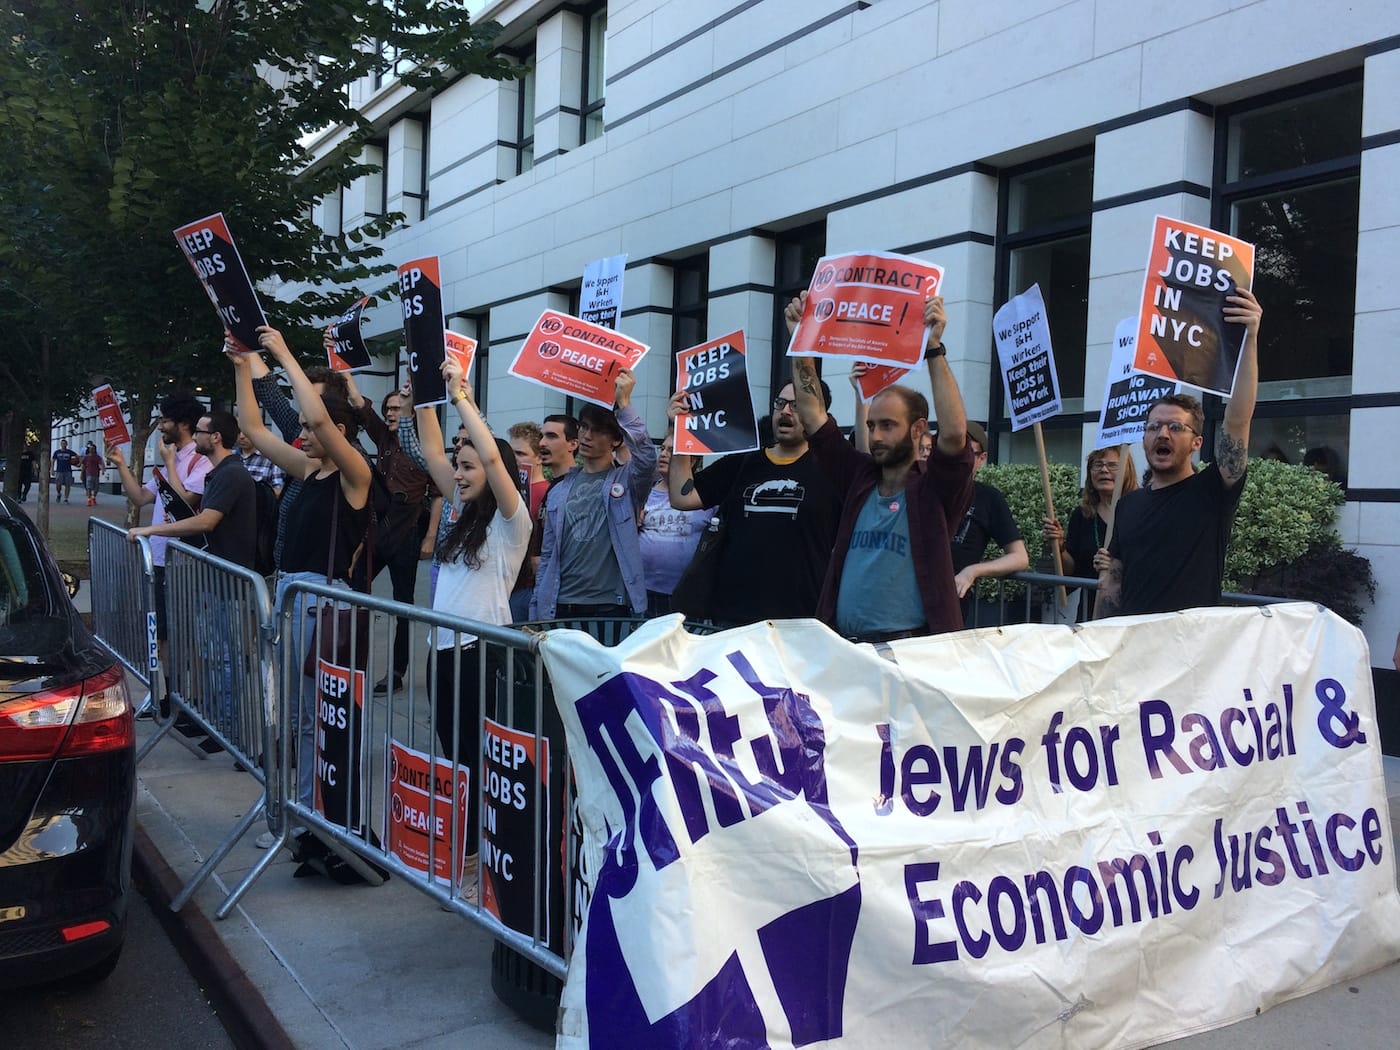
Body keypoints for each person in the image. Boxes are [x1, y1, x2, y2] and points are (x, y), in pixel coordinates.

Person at [231, 326, 372, 810]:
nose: (302, 434)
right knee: (287, 714)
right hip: (290, 596)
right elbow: (252, 429)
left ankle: (309, 809)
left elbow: (320, 419)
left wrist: (284, 354)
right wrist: (240, 369)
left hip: (319, 605)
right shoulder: (308, 470)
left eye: (311, 430)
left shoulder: (356, 475)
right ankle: (285, 804)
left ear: (339, 434)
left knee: (311, 716)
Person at [787, 290, 975, 640]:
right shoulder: (858, 476)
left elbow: (953, 435)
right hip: (845, 648)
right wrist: (802, 338)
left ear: (918, 429)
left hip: (909, 654)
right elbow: (813, 416)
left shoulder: (935, 490)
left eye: (888, 425)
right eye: (872, 426)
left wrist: (933, 348)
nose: (875, 436)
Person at [412, 358, 531, 899]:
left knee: (473, 759)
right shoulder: (460, 516)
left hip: (481, 654)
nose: (459, 474)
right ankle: (465, 853)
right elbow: (432, 451)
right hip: (442, 653)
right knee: (453, 755)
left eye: (470, 469)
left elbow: (488, 452)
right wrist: (423, 391)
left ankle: (477, 860)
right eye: (458, 469)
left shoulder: (512, 524)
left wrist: (461, 395)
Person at [1095, 288, 1263, 616]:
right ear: (1143, 439)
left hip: (1190, 652)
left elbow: (1239, 419)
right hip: (1133, 648)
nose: (1163, 433)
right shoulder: (1128, 505)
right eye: (1154, 427)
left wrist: (1250, 339)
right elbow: (1113, 585)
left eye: (1175, 427)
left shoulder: (1211, 492)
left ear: (1197, 443)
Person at [666, 379, 840, 627]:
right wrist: (680, 431)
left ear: (820, 415)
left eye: (798, 405)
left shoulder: (834, 469)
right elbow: (683, 497)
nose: (786, 411)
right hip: (734, 621)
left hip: (803, 624)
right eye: (780, 403)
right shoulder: (744, 462)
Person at [108, 391, 213, 694]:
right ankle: (170, 693)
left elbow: (185, 503)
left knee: (186, 633)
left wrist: (169, 462)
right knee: (163, 632)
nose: (160, 426)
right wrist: (120, 465)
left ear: (182, 424)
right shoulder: (171, 461)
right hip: (159, 558)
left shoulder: (198, 461)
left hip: (185, 560)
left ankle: (192, 698)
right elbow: (141, 497)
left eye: (165, 420)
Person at [530, 371, 657, 620]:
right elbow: (548, 556)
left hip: (610, 607)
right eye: (584, 428)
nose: (587, 436)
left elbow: (647, 459)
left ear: (616, 440)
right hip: (560, 604)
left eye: (597, 431)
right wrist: (537, 609)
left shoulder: (625, 481)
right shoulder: (559, 490)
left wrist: (625, 405)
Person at [341, 369, 432, 696]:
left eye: (397, 408)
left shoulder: (424, 447)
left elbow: (437, 494)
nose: (391, 413)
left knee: (403, 606)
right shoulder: (383, 437)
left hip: (407, 534)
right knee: (354, 593)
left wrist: (430, 537)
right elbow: (360, 406)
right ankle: (351, 661)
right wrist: (344, 371)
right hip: (377, 529)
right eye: (389, 409)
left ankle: (396, 672)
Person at [127, 410, 257, 569]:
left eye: (198, 432)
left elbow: (206, 522)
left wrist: (150, 530)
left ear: (216, 437)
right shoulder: (220, 472)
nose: (194, 437)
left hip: (228, 574)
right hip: (216, 570)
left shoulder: (230, 473)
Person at [948, 421, 1029, 625]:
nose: (958, 459)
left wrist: (973, 571)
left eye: (967, 452)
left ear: (981, 459)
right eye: (952, 451)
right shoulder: (921, 489)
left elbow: (1019, 557)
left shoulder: (988, 498)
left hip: (950, 609)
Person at [640, 432, 715, 618]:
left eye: (673, 450)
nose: (664, 454)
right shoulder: (642, 493)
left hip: (686, 594)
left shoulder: (705, 497)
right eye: (662, 448)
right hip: (644, 592)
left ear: (691, 461)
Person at [1042, 446, 1139, 578]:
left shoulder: (1140, 511)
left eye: (1112, 465)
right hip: (1091, 597)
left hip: (1129, 597)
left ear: (1127, 471)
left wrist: (1115, 567)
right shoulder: (1082, 514)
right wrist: (1059, 546)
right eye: (1098, 465)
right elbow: (1070, 570)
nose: (1104, 470)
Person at [237, 430, 285, 496]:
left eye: (246, 432)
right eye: (239, 431)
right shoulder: (231, 455)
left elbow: (279, 491)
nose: (241, 436)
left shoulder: (271, 459)